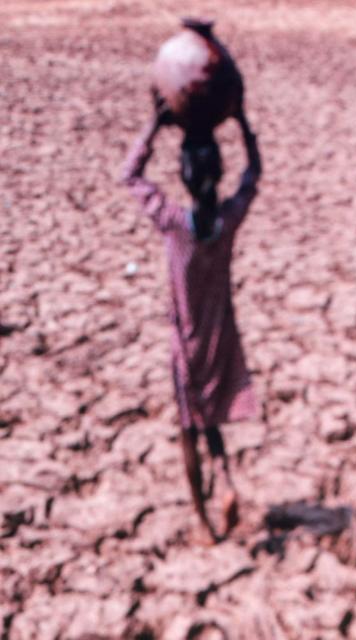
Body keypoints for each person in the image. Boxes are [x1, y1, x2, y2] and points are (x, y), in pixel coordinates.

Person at [119, 99, 262, 544]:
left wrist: (152, 128)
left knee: (189, 430)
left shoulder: (172, 222)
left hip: (187, 342)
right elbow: (253, 176)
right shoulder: (228, 220)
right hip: (222, 339)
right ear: (216, 175)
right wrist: (241, 122)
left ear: (182, 176)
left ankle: (202, 520)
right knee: (213, 415)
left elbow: (130, 176)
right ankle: (227, 481)